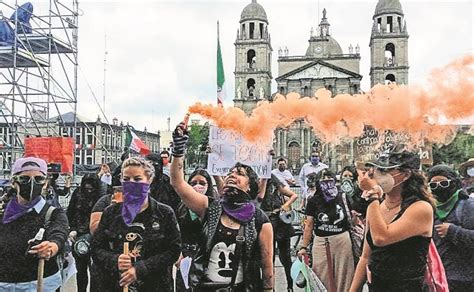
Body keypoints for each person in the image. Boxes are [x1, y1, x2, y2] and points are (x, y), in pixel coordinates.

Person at [170, 122, 274, 292]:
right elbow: (177, 183)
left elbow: (267, 263)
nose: (232, 175)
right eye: (230, 173)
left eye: (240, 174)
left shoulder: (260, 220)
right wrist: (178, 149)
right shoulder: (210, 208)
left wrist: (269, 289)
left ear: (250, 186)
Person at [91, 157, 181, 291]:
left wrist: (141, 268)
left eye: (137, 179)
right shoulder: (110, 213)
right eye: (126, 179)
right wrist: (115, 260)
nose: (131, 183)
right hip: (115, 285)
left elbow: (173, 250)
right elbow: (96, 248)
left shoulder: (164, 213)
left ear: (149, 180)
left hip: (155, 285)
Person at [349, 151, 435, 292]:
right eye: (376, 169)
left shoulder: (421, 208)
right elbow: (365, 257)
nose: (377, 175)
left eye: (384, 170)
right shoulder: (378, 205)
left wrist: (372, 196)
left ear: (406, 174)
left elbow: (381, 237)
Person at [0, 157, 68, 290]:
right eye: (25, 179)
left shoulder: (53, 213)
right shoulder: (2, 213)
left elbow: (59, 233)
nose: (32, 184)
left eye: (38, 179)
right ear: (14, 182)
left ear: (45, 183)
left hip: (40, 284)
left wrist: (50, 248)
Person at [297, 168, 355, 292]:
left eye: (329, 179)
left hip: (342, 242)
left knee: (343, 276)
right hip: (321, 242)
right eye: (323, 180)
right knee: (321, 276)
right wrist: (303, 247)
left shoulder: (343, 197)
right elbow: (309, 225)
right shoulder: (313, 200)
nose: (326, 183)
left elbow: (353, 217)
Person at [428, 164, 474, 292]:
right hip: (437, 279)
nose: (438, 188)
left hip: (465, 281)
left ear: (453, 183)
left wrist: (454, 232)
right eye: (433, 185)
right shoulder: (429, 209)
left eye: (443, 183)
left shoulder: (468, 206)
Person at [175, 168, 218, 291]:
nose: (197, 186)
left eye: (202, 183)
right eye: (193, 183)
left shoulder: (215, 208)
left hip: (206, 258)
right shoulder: (182, 207)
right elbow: (175, 234)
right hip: (185, 257)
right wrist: (178, 255)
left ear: (208, 185)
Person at [258, 174, 297, 292]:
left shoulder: (274, 182)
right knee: (268, 259)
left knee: (286, 258)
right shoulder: (256, 184)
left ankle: (290, 286)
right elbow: (259, 196)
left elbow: (293, 195)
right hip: (266, 223)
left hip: (280, 223)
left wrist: (285, 205)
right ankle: (271, 287)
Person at [66, 173, 103, 292]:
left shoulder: (102, 195)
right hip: (79, 235)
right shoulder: (77, 193)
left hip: (97, 236)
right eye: (86, 187)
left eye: (91, 187)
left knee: (96, 270)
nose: (89, 189)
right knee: (81, 270)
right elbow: (70, 212)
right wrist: (72, 229)